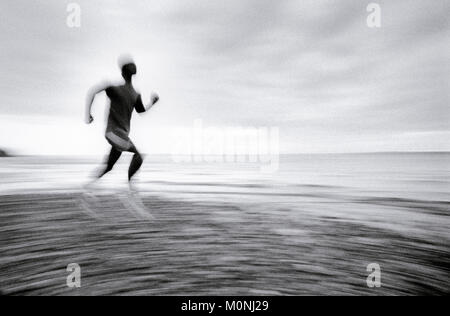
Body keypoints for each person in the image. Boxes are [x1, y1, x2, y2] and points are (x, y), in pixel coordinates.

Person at [85, 58, 159, 188]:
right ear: (133, 74)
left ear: (122, 74)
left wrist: (88, 114)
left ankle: (87, 187)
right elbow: (142, 111)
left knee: (108, 167)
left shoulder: (115, 89)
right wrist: (152, 103)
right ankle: (130, 190)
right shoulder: (134, 94)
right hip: (115, 134)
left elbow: (92, 92)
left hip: (117, 135)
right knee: (138, 156)